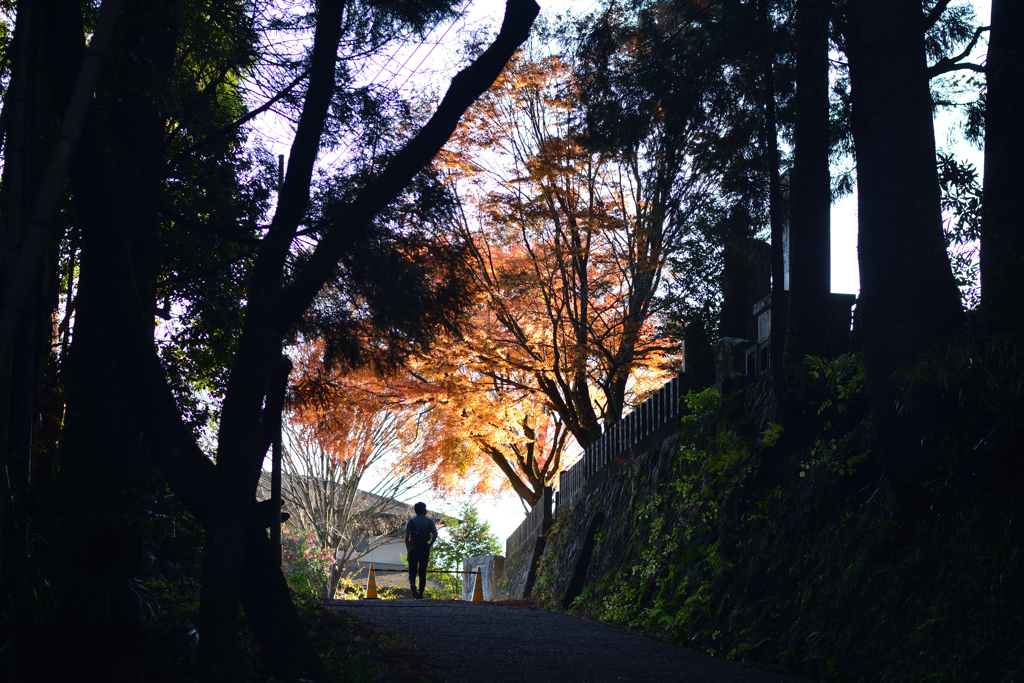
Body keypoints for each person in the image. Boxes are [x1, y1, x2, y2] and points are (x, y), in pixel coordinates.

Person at [404, 501, 438, 599]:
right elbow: (435, 534)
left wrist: (408, 549)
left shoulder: (410, 522)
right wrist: (430, 544)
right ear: (423, 510)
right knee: (422, 571)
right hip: (424, 548)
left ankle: (412, 585)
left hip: (413, 548)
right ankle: (421, 593)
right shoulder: (429, 521)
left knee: (412, 570)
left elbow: (406, 537)